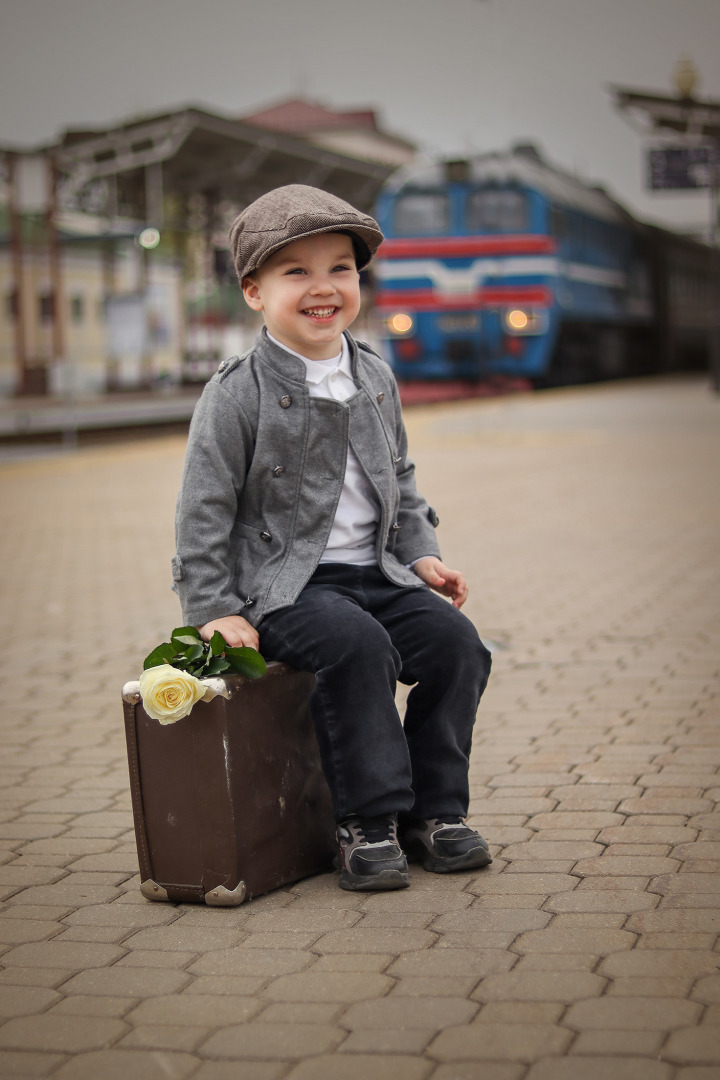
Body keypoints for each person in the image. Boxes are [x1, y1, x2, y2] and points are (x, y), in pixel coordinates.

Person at [173, 184, 492, 891]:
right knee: (356, 646)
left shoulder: (374, 374)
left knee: (457, 647)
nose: (324, 288)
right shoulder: (236, 393)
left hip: (379, 572)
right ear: (254, 292)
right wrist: (214, 611)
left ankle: (434, 814)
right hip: (288, 588)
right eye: (297, 272)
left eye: (340, 268)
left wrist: (423, 555)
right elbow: (202, 511)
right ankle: (367, 821)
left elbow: (401, 479)